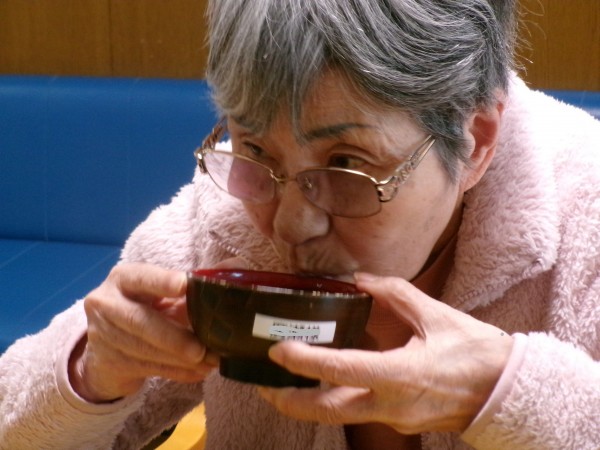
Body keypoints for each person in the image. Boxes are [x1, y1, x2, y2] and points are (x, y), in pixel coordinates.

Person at [1, 0, 599, 448]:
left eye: (347, 165)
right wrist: (88, 375)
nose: (289, 226)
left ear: (475, 142)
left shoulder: (586, 218)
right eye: (256, 148)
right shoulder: (223, 220)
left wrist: (512, 395)